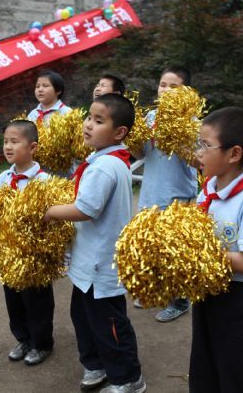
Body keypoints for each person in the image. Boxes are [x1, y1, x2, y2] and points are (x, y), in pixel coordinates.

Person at [45, 94, 146, 393]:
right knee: (83, 316)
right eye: (89, 117)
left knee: (110, 325)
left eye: (99, 121)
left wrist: (49, 212)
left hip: (101, 264)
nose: (88, 125)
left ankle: (128, 379)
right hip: (89, 262)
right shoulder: (103, 160)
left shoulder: (105, 167)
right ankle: (96, 364)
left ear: (120, 133)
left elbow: (85, 210)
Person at [190, 107, 243, 392]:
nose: (198, 152)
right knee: (205, 368)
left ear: (234, 154)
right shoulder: (208, 188)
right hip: (208, 292)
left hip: (240, 299)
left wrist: (197, 254)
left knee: (239, 374)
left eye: (205, 145)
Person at [130, 66, 198, 322]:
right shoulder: (151, 118)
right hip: (151, 192)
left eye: (174, 86)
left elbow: (198, 162)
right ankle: (159, 292)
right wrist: (133, 138)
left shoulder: (192, 121)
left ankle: (180, 301)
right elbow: (141, 155)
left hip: (178, 196)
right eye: (162, 85)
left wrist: (175, 138)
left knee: (174, 251)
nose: (166, 90)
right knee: (152, 247)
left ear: (186, 92)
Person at [0, 119, 54, 366]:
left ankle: (42, 343)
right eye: (6, 141)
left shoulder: (43, 181)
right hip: (9, 252)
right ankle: (23, 338)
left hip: (34, 254)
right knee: (13, 298)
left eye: (14, 142)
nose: (8, 147)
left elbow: (52, 216)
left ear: (33, 147)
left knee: (37, 300)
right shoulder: (4, 178)